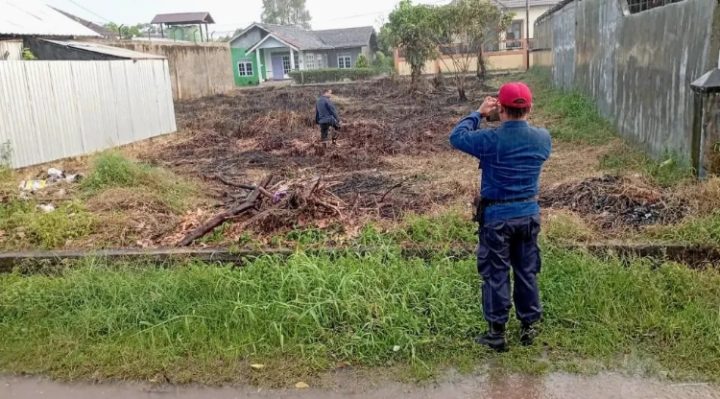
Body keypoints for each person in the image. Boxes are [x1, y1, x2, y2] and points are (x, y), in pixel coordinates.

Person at [449, 82, 552, 352]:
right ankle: (530, 328)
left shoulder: (490, 140)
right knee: (527, 271)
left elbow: (457, 137)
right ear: (529, 108)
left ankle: (497, 333)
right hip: (528, 215)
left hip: (497, 218)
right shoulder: (543, 138)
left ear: (501, 110)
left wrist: (479, 113)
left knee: (496, 274)